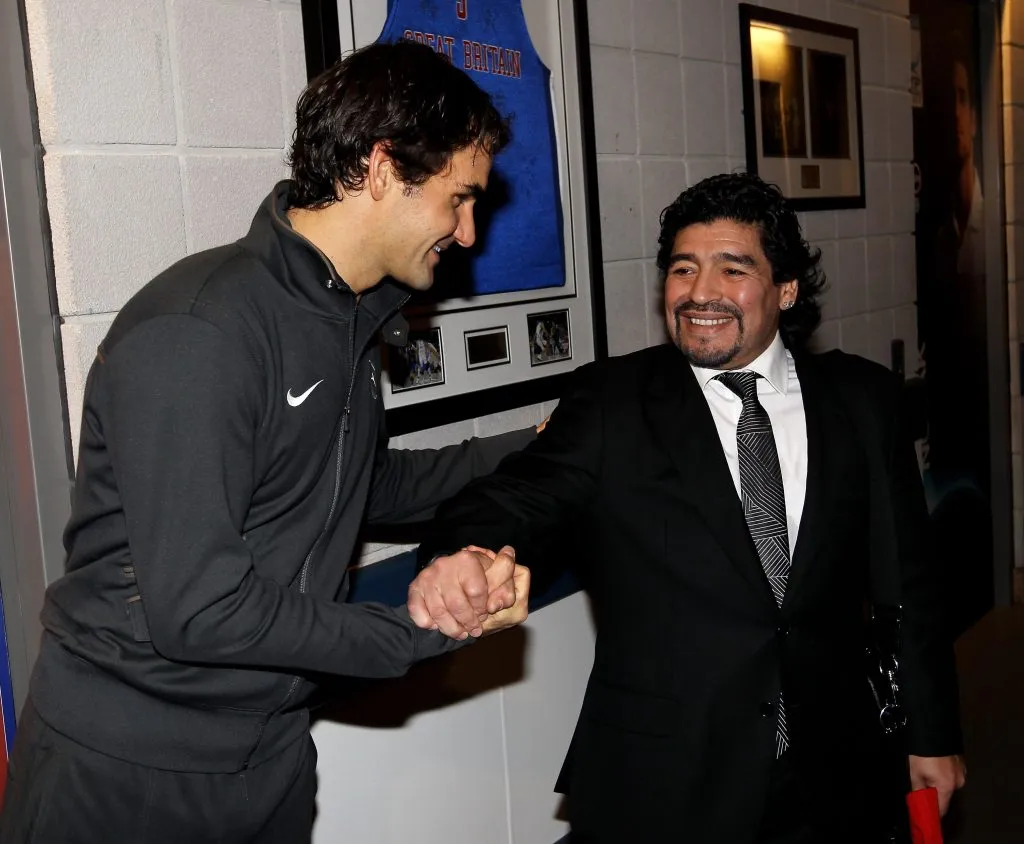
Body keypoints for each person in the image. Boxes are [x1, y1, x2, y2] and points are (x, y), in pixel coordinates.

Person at [0, 41, 533, 844]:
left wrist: (537, 444)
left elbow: (364, 484)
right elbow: (202, 610)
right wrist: (421, 632)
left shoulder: (348, 319)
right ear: (384, 168)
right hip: (124, 774)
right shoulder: (202, 331)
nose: (466, 233)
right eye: (458, 199)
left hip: (269, 758)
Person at [409, 173, 966, 843]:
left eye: (733, 269)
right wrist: (460, 554)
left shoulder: (862, 401)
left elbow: (911, 585)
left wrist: (931, 731)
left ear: (785, 289)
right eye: (683, 269)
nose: (700, 292)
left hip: (836, 772)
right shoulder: (614, 404)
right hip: (666, 781)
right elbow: (508, 500)